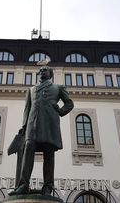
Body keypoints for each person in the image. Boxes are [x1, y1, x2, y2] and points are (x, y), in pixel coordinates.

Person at [9, 65, 74, 196]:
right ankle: (23, 185)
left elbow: (69, 103)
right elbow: (27, 109)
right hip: (32, 125)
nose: (42, 71)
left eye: (45, 70)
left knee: (49, 153)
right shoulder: (31, 89)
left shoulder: (58, 88)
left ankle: (47, 187)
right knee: (28, 147)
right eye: (41, 70)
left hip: (50, 124)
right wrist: (24, 126)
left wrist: (60, 111)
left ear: (51, 74)